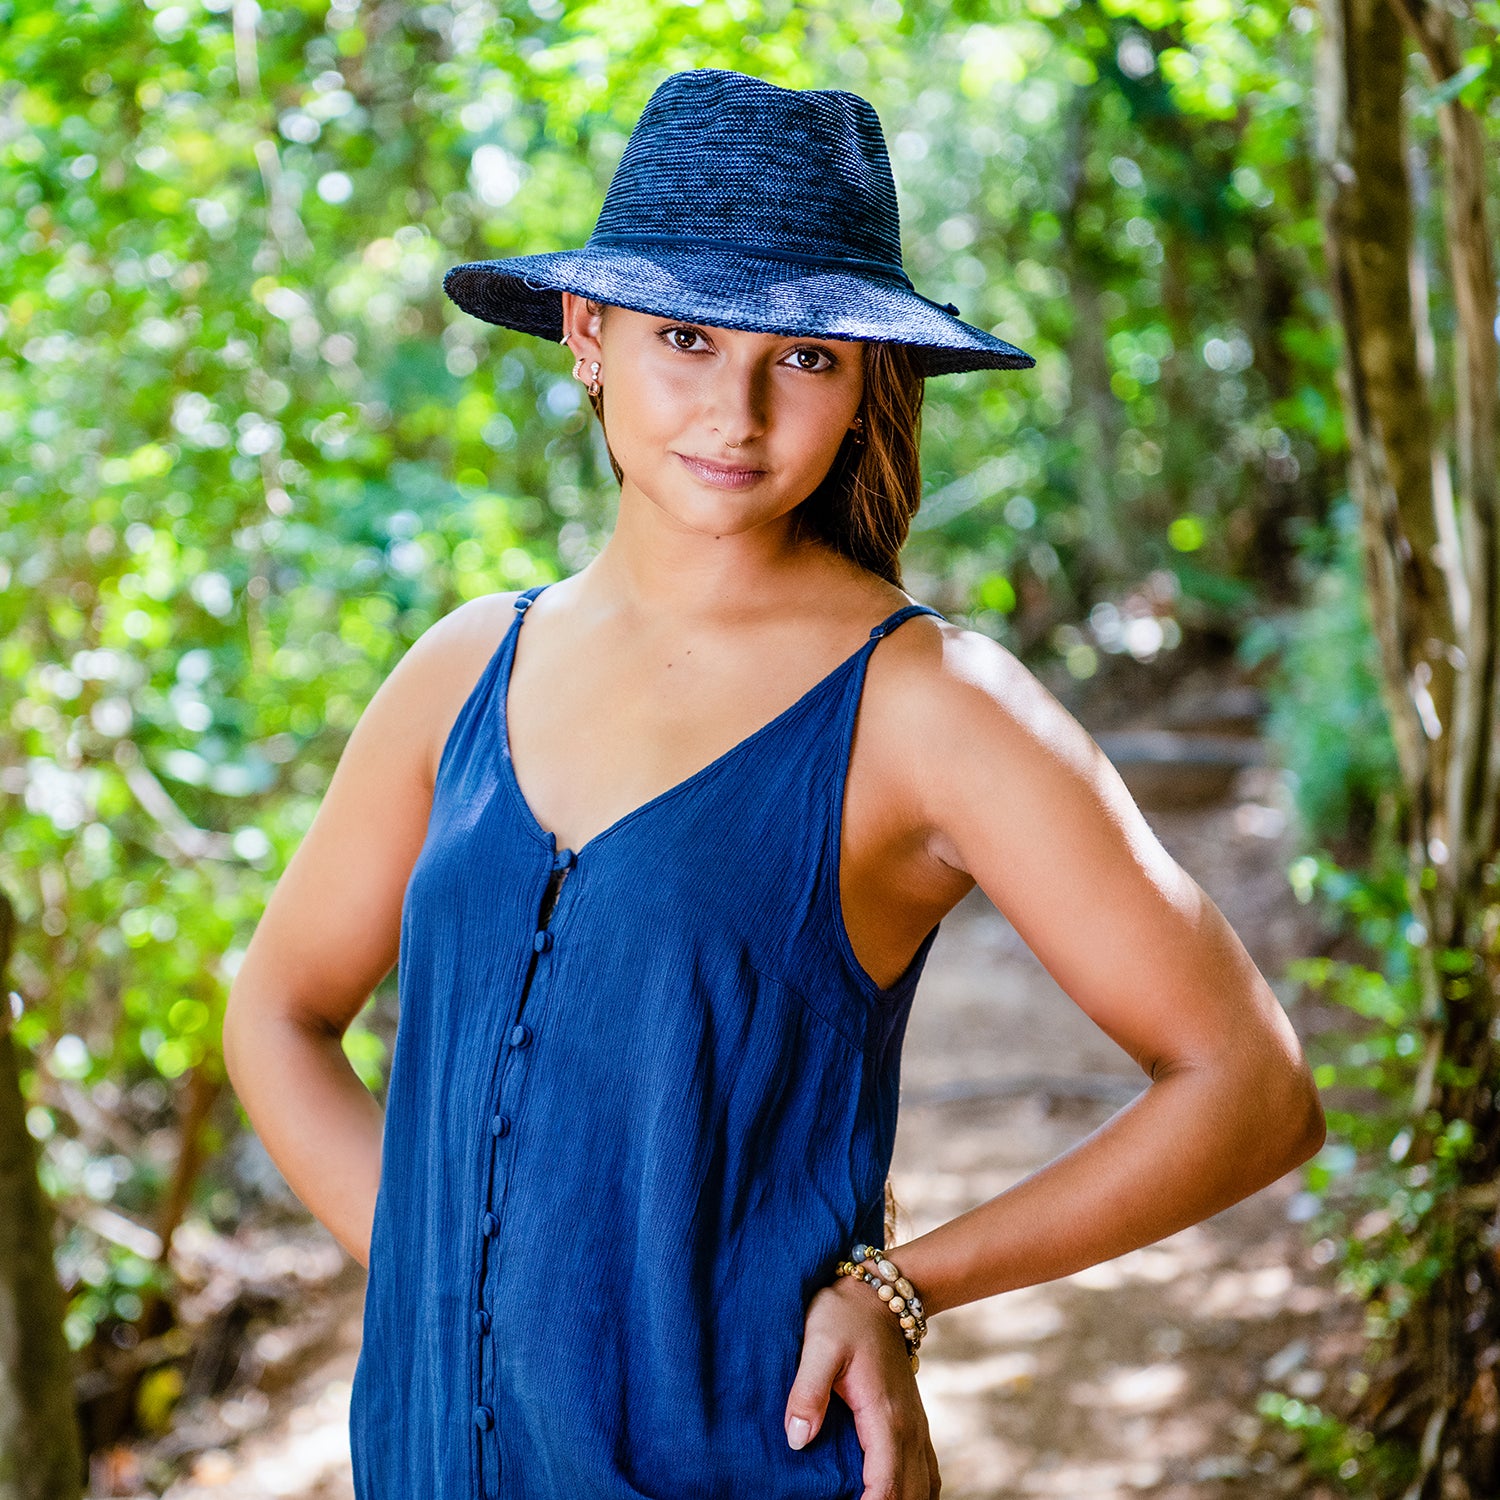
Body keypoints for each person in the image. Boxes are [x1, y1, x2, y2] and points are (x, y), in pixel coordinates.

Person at [222, 67, 1326, 1500]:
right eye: (684, 336)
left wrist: (906, 1288)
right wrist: (450, 1279)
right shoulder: (463, 669)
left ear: (867, 382)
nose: (735, 411)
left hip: (745, 1463)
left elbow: (1251, 1089)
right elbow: (278, 1012)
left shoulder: (931, 705)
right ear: (589, 334)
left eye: (802, 354)